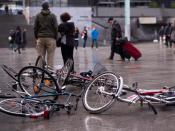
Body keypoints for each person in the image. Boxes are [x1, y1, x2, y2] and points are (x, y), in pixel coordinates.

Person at [34, 1, 58, 68]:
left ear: (42, 7)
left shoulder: (38, 16)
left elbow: (35, 27)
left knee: (40, 56)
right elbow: (56, 27)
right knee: (50, 56)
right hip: (51, 38)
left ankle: (41, 72)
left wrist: (36, 37)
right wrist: (55, 37)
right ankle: (49, 73)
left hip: (40, 38)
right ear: (48, 7)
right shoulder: (53, 16)